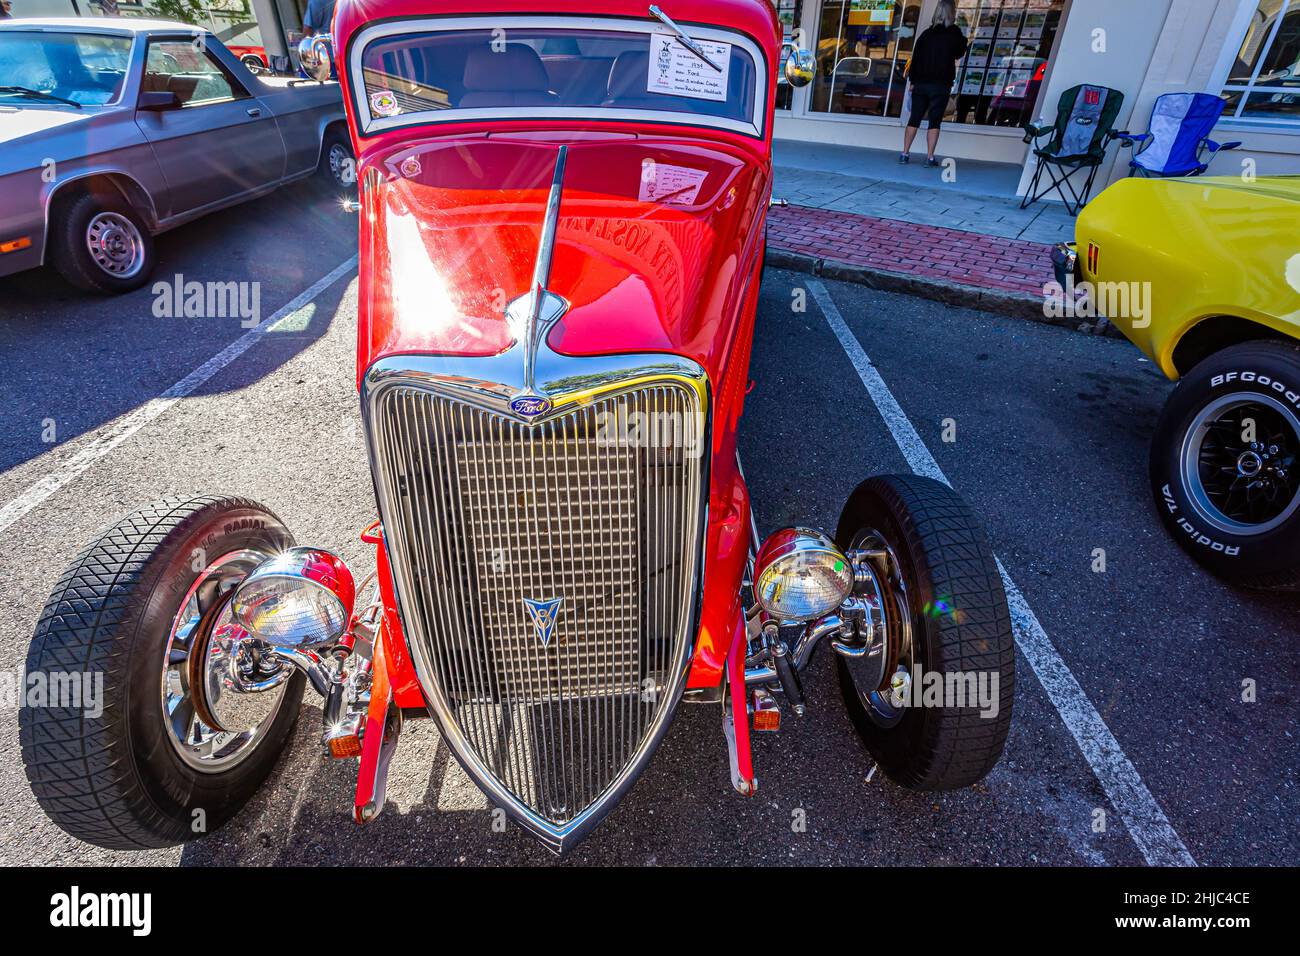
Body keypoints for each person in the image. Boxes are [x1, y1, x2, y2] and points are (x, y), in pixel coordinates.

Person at [899, 0, 968, 167]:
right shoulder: (954, 34)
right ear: (952, 13)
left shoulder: (925, 35)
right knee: (935, 120)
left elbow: (915, 60)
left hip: (921, 83)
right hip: (940, 85)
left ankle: (905, 153)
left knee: (914, 118)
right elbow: (959, 53)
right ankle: (930, 157)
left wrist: (913, 81)